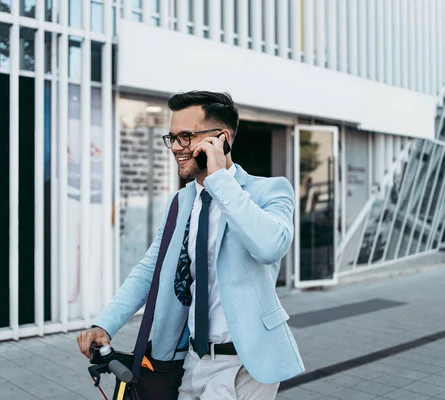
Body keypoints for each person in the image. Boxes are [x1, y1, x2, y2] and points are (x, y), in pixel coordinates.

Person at [77, 91, 304, 399]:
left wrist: (219, 179)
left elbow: (270, 246)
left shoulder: (270, 191)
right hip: (193, 362)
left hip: (244, 364)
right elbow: (149, 270)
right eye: (171, 138)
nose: (175, 148)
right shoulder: (180, 201)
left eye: (186, 137)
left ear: (221, 139)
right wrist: (105, 324)